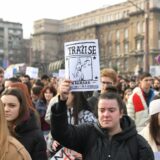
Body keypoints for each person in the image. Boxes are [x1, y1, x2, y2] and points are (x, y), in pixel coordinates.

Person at [50, 79, 154, 160]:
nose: (106, 114)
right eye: (102, 110)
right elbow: (61, 133)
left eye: (111, 110)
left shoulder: (139, 144)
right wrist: (62, 102)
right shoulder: (88, 133)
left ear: (121, 113)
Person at [1, 88, 48, 160]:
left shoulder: (36, 136)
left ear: (21, 107)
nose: (6, 109)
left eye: (12, 105)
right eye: (3, 105)